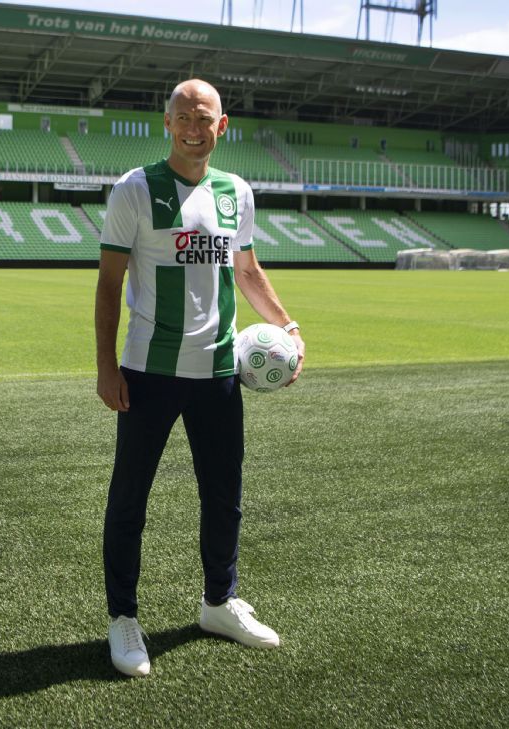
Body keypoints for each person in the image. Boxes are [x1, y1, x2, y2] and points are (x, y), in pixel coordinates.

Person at [94, 79, 305, 677]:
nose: (193, 125)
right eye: (182, 115)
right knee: (130, 499)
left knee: (224, 496)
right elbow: (109, 285)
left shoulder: (236, 192)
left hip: (218, 372)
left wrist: (287, 327)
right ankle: (123, 618)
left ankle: (219, 603)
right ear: (167, 124)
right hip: (149, 371)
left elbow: (247, 269)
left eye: (203, 116)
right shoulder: (135, 190)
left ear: (222, 125)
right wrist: (106, 367)